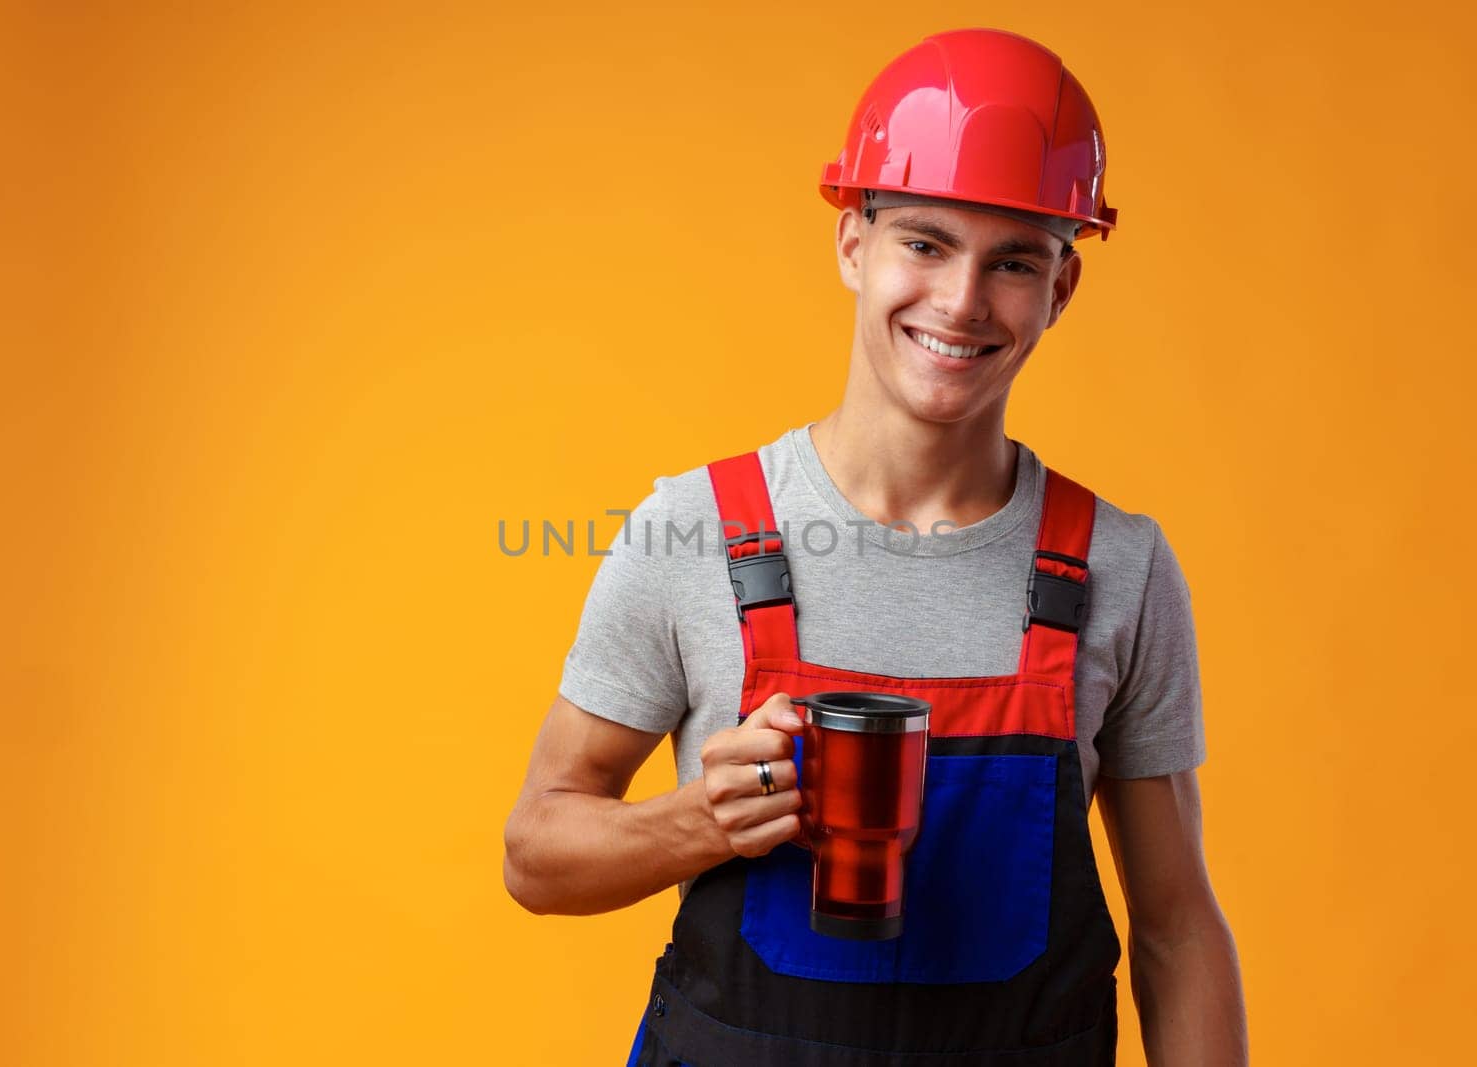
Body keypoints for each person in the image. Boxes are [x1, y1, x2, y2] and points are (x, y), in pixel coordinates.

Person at [503, 27, 1248, 1066]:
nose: (959, 300)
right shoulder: (690, 532)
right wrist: (702, 822)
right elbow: (537, 852)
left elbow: (1175, 929)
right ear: (853, 243)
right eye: (925, 241)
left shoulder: (1118, 568)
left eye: (1014, 260)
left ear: (1059, 290)